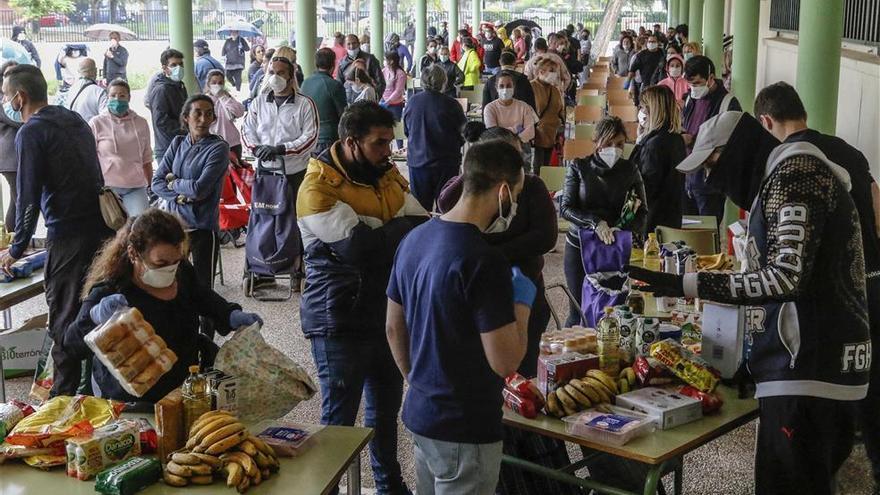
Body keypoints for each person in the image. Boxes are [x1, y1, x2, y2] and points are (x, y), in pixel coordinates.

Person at [630, 110, 869, 495]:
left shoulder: (796, 175)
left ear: (739, 149)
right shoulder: (784, 177)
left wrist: (689, 283)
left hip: (809, 371)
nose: (711, 179)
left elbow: (785, 276)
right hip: (806, 370)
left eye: (712, 164)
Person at [386, 139, 534, 495]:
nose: (515, 203)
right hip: (466, 427)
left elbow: (393, 327)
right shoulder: (483, 260)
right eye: (516, 193)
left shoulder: (414, 239)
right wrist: (522, 304)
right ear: (502, 191)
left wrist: (419, 381)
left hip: (422, 414)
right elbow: (505, 361)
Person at [754, 81, 880, 492]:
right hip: (869, 293)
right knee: (869, 407)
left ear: (766, 121)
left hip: (820, 322)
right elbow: (877, 214)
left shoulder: (789, 166)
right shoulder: (848, 152)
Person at [298, 101, 427, 495]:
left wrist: (383, 229)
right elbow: (360, 249)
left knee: (386, 416)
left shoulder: (386, 175)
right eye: (380, 143)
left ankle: (390, 487)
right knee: (338, 423)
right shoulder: (316, 188)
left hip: (384, 313)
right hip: (337, 319)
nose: (389, 151)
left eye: (390, 141)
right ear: (351, 142)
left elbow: (421, 227)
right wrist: (394, 227)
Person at [64, 209, 261, 402]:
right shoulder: (111, 290)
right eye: (161, 263)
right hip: (130, 401)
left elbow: (202, 297)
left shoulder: (181, 272)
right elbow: (71, 344)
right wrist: (95, 319)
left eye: (175, 261)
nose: (170, 270)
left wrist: (228, 314)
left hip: (183, 389)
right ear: (134, 254)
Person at [0, 64, 113, 395]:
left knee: (63, 321)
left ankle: (61, 403)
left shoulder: (32, 132)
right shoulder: (73, 118)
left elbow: (27, 197)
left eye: (7, 96)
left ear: (20, 97)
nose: (6, 102)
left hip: (69, 238)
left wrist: (17, 249)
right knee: (93, 313)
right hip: (102, 232)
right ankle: (94, 394)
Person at [560, 117, 646, 326]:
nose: (614, 149)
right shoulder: (579, 167)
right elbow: (565, 208)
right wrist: (595, 222)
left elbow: (642, 211)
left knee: (614, 310)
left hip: (614, 246)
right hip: (580, 244)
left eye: (619, 144)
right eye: (608, 143)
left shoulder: (630, 169)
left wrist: (621, 229)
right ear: (597, 141)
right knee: (578, 309)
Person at [242, 56, 318, 280]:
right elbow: (247, 130)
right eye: (272, 72)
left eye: (281, 72)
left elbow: (310, 137)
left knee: (294, 220)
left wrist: (282, 149)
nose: (275, 77)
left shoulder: (304, 104)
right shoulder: (258, 102)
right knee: (262, 218)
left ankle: (296, 267)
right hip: (266, 172)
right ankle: (262, 268)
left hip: (294, 173)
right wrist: (257, 149)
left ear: (290, 75)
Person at [152, 93, 228, 299]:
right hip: (175, 228)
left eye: (209, 114)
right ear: (186, 117)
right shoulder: (177, 143)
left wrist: (174, 181)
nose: (203, 119)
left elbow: (199, 189)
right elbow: (156, 182)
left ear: (214, 119)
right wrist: (178, 196)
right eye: (198, 113)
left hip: (203, 229)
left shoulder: (218, 148)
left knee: (204, 290)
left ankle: (206, 331)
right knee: (174, 286)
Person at [681, 55, 741, 225]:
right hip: (687, 179)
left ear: (711, 78)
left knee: (707, 235)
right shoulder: (690, 98)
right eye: (690, 84)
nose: (693, 88)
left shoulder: (728, 103)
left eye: (697, 83)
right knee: (686, 233)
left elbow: (735, 143)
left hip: (710, 184)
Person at [403, 64, 467, 211]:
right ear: (444, 81)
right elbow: (463, 133)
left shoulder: (412, 102)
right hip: (446, 163)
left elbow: (407, 130)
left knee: (420, 210)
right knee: (445, 208)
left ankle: (422, 233)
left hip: (418, 163)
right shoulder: (451, 104)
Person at [89, 78, 153, 217]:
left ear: (129, 98)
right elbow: (89, 158)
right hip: (108, 188)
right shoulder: (96, 123)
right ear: (107, 97)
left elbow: (147, 157)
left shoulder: (141, 123)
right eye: (113, 95)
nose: (117, 99)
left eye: (122, 95)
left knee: (140, 227)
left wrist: (150, 185)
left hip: (135, 186)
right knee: (110, 229)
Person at [629, 85, 685, 233]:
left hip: (652, 222)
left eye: (642, 107)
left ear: (652, 110)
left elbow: (645, 188)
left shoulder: (653, 145)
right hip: (672, 218)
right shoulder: (676, 139)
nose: (640, 112)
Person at [301, 48, 348, 156]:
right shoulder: (334, 85)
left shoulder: (305, 83)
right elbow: (343, 115)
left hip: (308, 138)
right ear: (333, 64)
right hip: (328, 139)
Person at [146, 49, 188, 161]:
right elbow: (161, 121)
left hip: (181, 145)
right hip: (167, 149)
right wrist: (187, 127)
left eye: (180, 64)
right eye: (173, 65)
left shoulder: (180, 86)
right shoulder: (161, 90)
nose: (178, 68)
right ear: (165, 68)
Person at [483, 72, 539, 149]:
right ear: (496, 88)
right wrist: (517, 129)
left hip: (521, 148)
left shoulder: (524, 106)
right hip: (498, 147)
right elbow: (494, 133)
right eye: (501, 86)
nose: (505, 89)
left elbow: (530, 132)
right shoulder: (490, 108)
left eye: (509, 86)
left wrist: (506, 133)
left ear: (514, 87)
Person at [530, 58, 564, 175]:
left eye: (555, 71)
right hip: (538, 132)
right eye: (551, 70)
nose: (554, 74)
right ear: (541, 71)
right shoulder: (531, 87)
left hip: (553, 132)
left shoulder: (555, 89)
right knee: (539, 166)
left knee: (549, 165)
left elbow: (560, 109)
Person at [203, 70, 245, 161]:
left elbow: (239, 112)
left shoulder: (227, 97)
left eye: (220, 83)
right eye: (214, 83)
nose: (217, 85)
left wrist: (223, 97)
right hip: (213, 144)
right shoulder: (205, 100)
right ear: (208, 84)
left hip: (233, 143)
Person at [0, 61, 20, 231]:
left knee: (17, 200)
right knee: (18, 199)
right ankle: (14, 235)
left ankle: (14, 235)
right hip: (10, 158)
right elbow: (18, 121)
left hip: (16, 156)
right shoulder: (4, 102)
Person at [62, 58, 107, 126]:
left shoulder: (71, 89)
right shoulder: (99, 92)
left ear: (79, 71)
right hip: (91, 133)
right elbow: (106, 118)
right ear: (94, 71)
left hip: (72, 132)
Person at [627, 34, 664, 106]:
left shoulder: (662, 53)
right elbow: (632, 70)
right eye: (650, 41)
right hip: (646, 85)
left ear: (657, 43)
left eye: (653, 41)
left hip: (660, 85)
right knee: (645, 106)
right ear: (647, 43)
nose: (651, 43)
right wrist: (628, 82)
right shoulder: (641, 55)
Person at [380, 51, 407, 123]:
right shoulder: (384, 71)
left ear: (391, 61)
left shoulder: (400, 73)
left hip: (395, 105)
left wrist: (388, 101)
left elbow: (398, 91)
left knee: (395, 127)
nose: (384, 61)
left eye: (385, 59)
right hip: (383, 102)